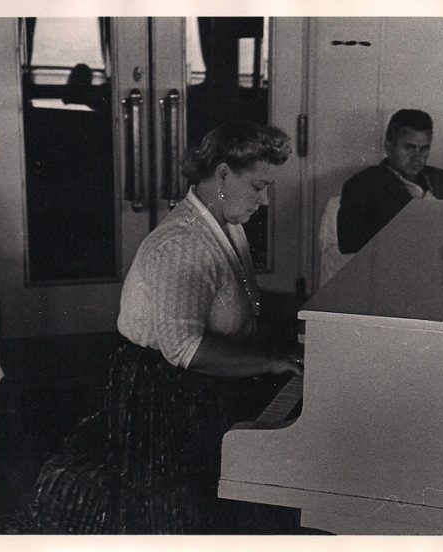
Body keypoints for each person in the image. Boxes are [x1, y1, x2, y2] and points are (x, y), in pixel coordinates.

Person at [21, 120, 303, 534]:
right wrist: (272, 361)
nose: (264, 200)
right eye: (259, 187)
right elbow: (185, 348)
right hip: (161, 395)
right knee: (182, 513)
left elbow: (240, 299)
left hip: (199, 385)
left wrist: (308, 309)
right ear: (224, 174)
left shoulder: (225, 224)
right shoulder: (181, 245)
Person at [337, 109, 443, 254]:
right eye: (409, 148)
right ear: (389, 147)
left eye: (424, 149)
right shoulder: (361, 186)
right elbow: (348, 246)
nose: (417, 157)